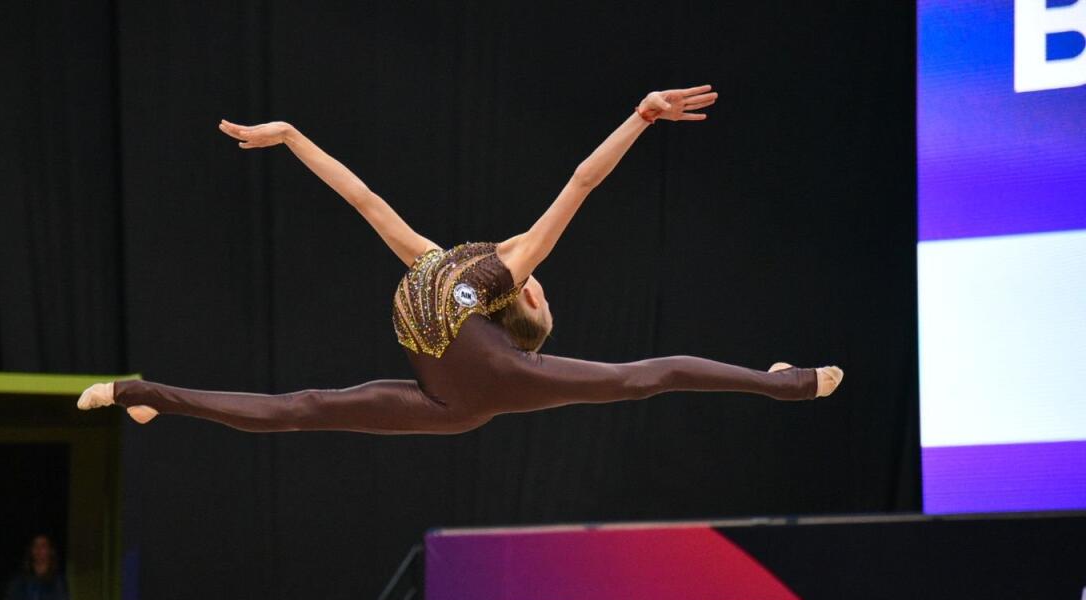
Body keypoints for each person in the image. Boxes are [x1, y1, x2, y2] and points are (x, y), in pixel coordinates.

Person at [77, 86, 841, 434]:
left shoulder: (496, 276)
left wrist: (638, 117)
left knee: (650, 375)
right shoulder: (443, 266)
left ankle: (787, 385)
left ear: (523, 311)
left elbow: (581, 181)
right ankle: (145, 395)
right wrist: (292, 137)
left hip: (472, 379)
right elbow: (365, 200)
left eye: (542, 294)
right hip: (450, 397)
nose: (542, 280)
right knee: (303, 407)